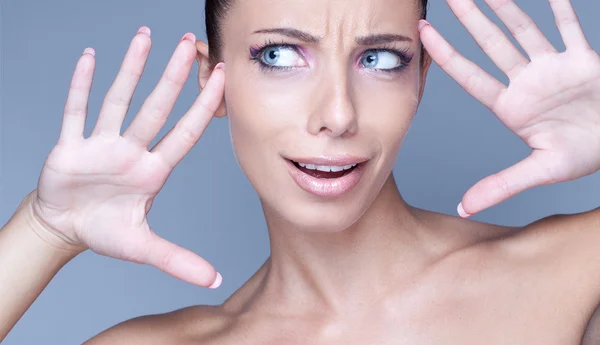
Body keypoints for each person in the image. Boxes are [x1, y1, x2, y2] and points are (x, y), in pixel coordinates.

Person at [2, 0, 600, 343]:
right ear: (216, 83)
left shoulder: (575, 272)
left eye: (381, 59)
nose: (337, 114)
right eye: (280, 56)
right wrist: (46, 228)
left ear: (421, 80)